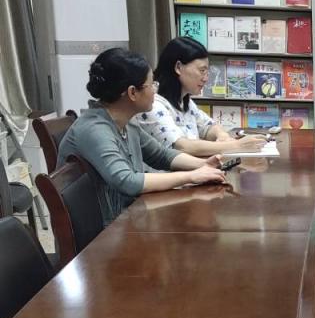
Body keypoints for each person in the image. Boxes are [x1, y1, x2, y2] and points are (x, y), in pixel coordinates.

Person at [57, 48, 226, 226]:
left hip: (126, 219)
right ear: (132, 92)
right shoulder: (94, 129)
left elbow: (160, 155)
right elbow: (127, 181)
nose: (155, 91)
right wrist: (191, 176)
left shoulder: (126, 121)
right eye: (151, 84)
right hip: (104, 233)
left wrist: (203, 165)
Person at [132, 37, 269, 157]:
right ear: (178, 67)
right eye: (202, 71)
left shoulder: (184, 100)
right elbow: (182, 147)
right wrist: (237, 146)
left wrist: (222, 135)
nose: (205, 78)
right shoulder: (152, 104)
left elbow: (208, 126)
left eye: (207, 72)